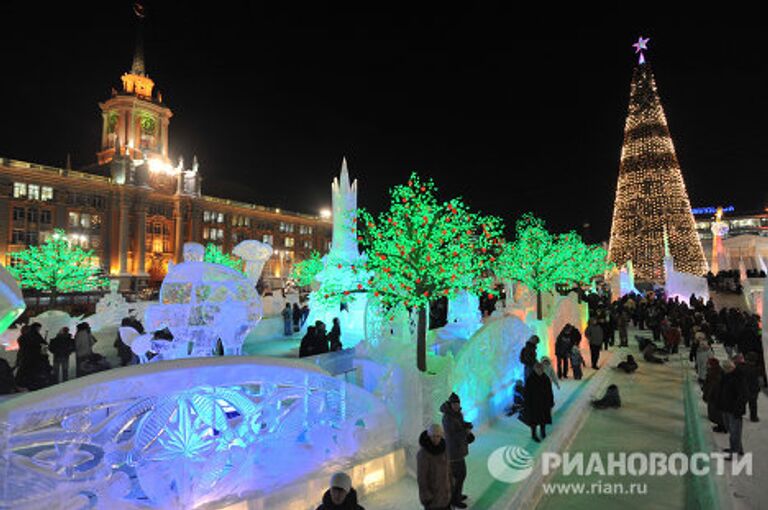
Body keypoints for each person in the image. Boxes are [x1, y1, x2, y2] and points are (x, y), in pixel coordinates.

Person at [440, 393, 472, 508]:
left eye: (458, 403)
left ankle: (456, 495)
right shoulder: (447, 417)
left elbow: (460, 425)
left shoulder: (456, 414)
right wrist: (466, 432)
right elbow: (452, 435)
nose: (457, 406)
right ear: (450, 404)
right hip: (453, 452)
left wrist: (467, 425)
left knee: (460, 475)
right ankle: (454, 499)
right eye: (454, 404)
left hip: (459, 449)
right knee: (459, 475)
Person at [417, 424, 452, 510]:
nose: (436, 439)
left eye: (438, 436)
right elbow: (422, 478)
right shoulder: (423, 454)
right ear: (429, 435)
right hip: (433, 499)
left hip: (445, 495)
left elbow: (448, 469)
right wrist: (426, 496)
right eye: (433, 436)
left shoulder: (444, 449)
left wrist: (451, 484)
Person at [717, 360, 748, 458]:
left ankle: (734, 453)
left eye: (724, 369)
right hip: (726, 407)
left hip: (734, 410)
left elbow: (743, 395)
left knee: (735, 432)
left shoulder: (739, 378)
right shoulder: (725, 376)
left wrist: (738, 409)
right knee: (731, 429)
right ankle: (738, 448)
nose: (723, 371)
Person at [523, 362, 554, 442]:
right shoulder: (530, 379)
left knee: (543, 418)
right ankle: (534, 434)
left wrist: (551, 401)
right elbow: (527, 393)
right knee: (534, 420)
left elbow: (549, 391)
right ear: (535, 369)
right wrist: (527, 403)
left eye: (541, 369)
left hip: (544, 402)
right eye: (538, 369)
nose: (540, 371)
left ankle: (542, 431)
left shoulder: (545, 378)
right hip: (534, 404)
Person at [702, 358, 726, 433]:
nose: (707, 365)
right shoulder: (715, 371)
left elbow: (711, 385)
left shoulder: (715, 373)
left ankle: (722, 426)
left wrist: (707, 393)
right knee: (716, 412)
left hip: (714, 396)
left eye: (709, 364)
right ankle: (721, 425)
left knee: (717, 412)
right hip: (714, 395)